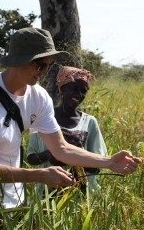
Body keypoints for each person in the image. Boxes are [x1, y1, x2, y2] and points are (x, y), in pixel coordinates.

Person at [0, 27, 142, 209]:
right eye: (40, 65)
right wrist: (40, 175)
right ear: (18, 61)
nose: (45, 72)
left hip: (14, 203)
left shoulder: (38, 96)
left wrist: (108, 161)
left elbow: (60, 148)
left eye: (50, 65)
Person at [27, 66, 107, 196]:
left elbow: (98, 165)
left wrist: (76, 159)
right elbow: (31, 158)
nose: (79, 94)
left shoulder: (90, 122)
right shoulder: (43, 118)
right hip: (47, 194)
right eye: (75, 89)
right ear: (62, 89)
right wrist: (50, 154)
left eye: (83, 91)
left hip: (80, 194)